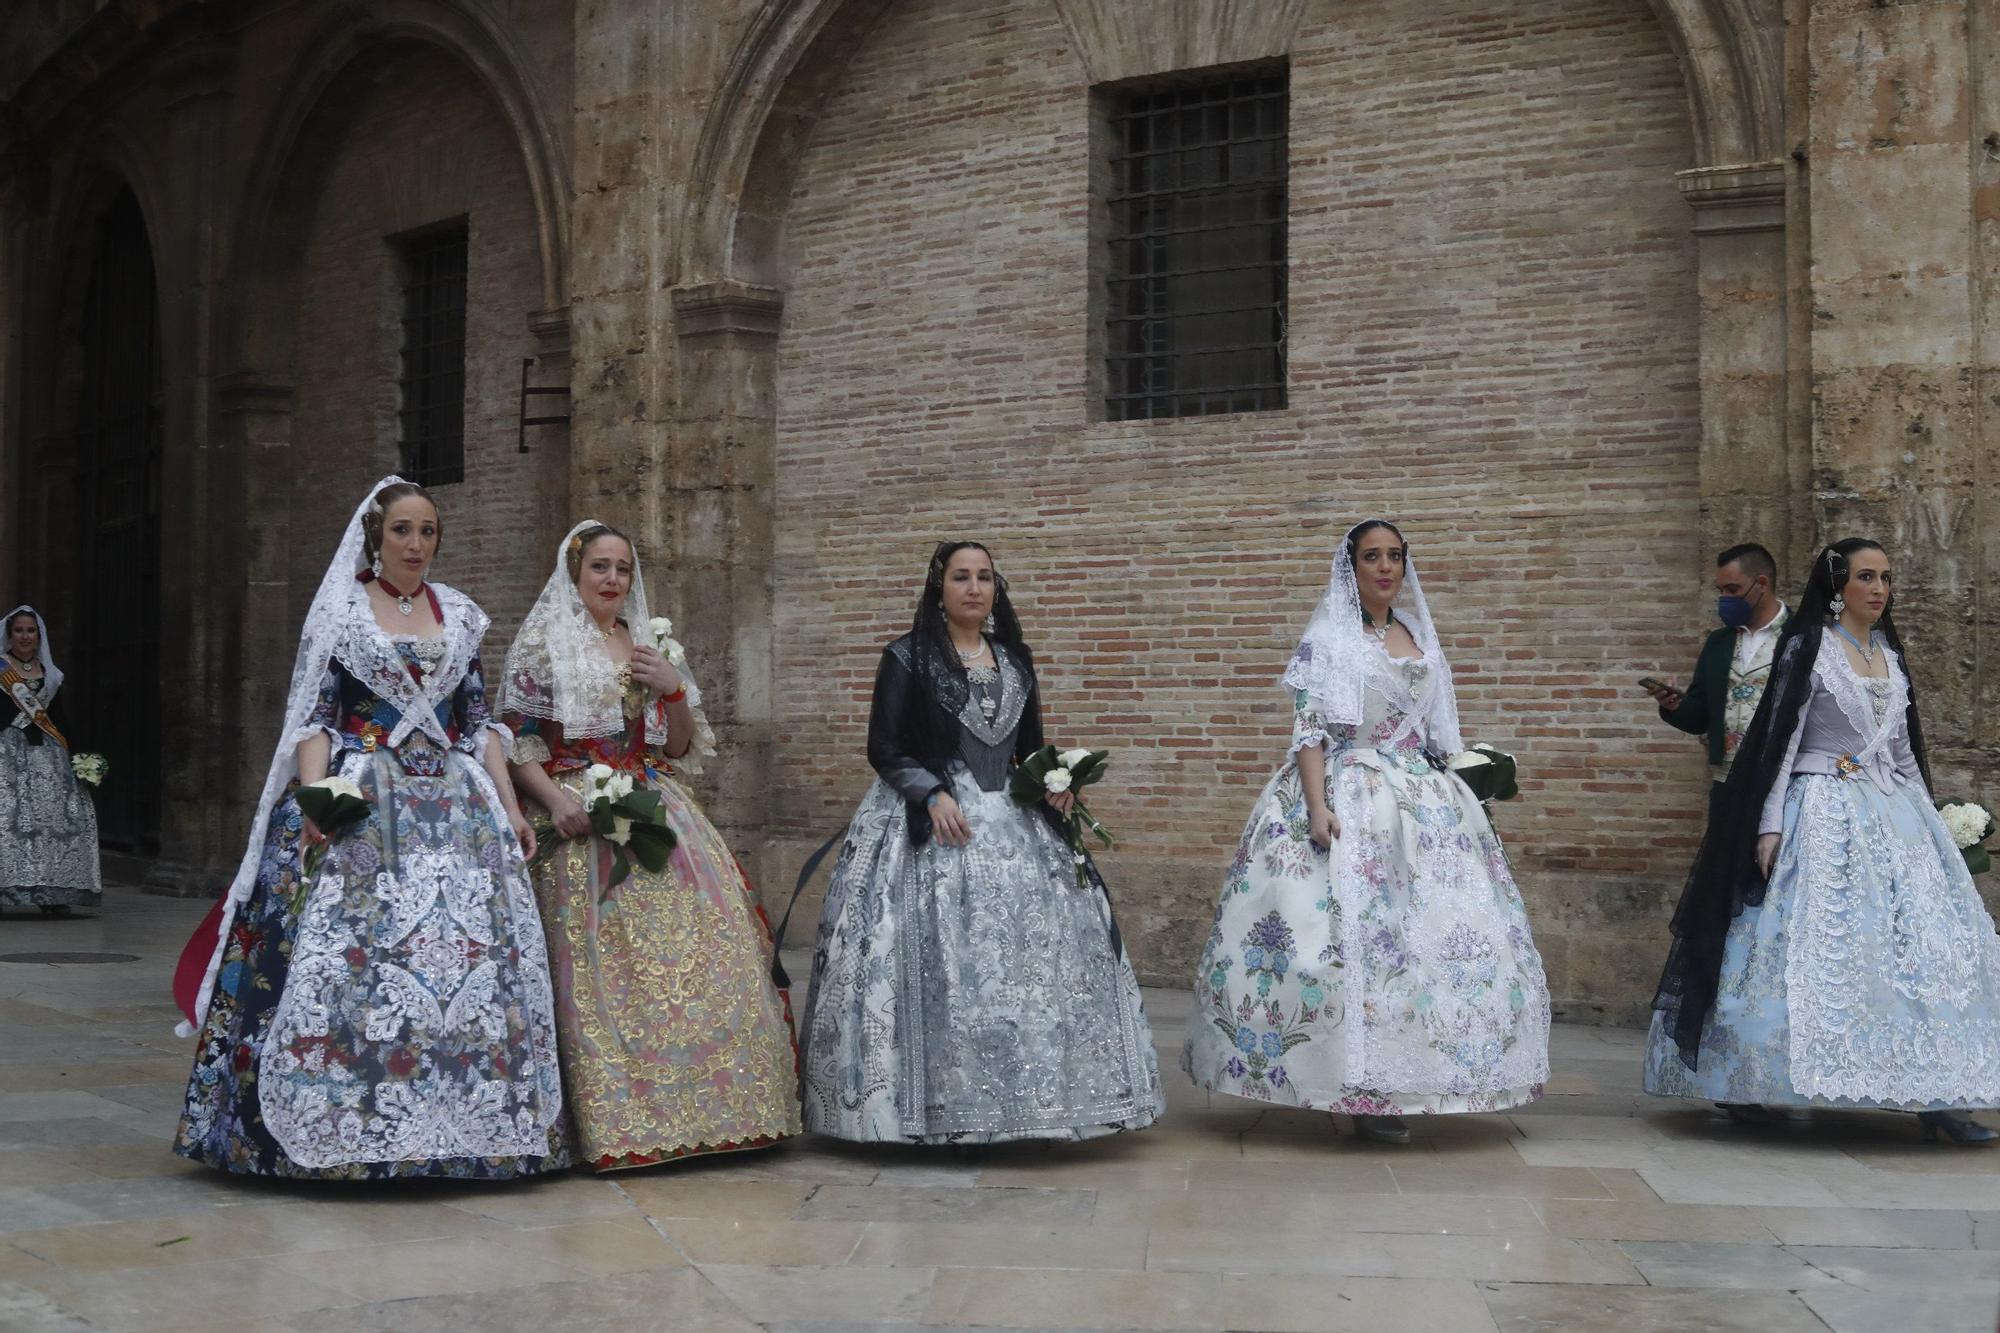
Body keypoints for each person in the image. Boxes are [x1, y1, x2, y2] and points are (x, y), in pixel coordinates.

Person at [174, 477, 568, 1179]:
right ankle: (345, 1121)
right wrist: (321, 802)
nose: (416, 544)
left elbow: (478, 728)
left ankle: (467, 1125)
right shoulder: (344, 616)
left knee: (465, 964)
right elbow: (319, 719)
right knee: (353, 959)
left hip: (455, 807)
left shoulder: (463, 616)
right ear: (376, 538)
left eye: (428, 532)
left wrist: (509, 809)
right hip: (365, 792)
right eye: (403, 531)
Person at [1183, 520, 1550, 1144]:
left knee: (1424, 944)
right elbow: (1309, 731)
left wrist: (1470, 783)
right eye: (1371, 557)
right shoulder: (1329, 639)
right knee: (1347, 942)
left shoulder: (1418, 636)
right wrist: (1316, 804)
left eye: (1395, 557)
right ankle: (1351, 1087)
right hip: (1349, 793)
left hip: (1423, 804)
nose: (1385, 567)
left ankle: (1418, 1075)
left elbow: (1439, 731)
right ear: (1350, 567)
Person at [799, 541, 1163, 1143]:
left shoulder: (1015, 661)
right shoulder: (908, 657)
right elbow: (885, 747)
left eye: (985, 577)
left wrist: (1054, 786)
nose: (974, 588)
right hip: (932, 819)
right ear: (938, 588)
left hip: (1013, 826)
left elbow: (1028, 751)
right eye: (961, 577)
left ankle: (1033, 1102)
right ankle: (920, 1112)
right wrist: (932, 794)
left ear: (997, 588)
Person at [1646, 539, 2000, 1144]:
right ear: (1839, 586)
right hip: (1823, 804)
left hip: (1896, 813)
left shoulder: (1889, 652)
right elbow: (1780, 740)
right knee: (1809, 942)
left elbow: (1903, 750)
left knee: (1925, 947)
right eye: (1867, 576)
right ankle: (1751, 1083)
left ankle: (1939, 1092)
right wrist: (1770, 822)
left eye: (1886, 577)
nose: (1880, 588)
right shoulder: (1811, 647)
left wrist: (1935, 826)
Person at [500, 520, 799, 1169]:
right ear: (574, 575)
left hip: (652, 807)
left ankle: (717, 1108)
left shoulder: (648, 643)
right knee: (604, 965)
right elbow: (513, 745)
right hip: (576, 820)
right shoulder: (543, 647)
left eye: (622, 569)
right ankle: (618, 1119)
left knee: (695, 956)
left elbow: (680, 746)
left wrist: (672, 686)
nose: (612, 579)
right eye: (600, 568)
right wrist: (557, 801)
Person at [1649, 542, 1790, 796]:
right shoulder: (1718, 643)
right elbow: (1700, 719)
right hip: (1727, 783)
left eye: (1733, 589)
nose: (1725, 598)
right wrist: (1674, 705)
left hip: (1785, 782)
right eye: (1721, 590)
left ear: (1762, 584)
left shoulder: (1804, 636)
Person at [0, 606, 101, 916]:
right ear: (9, 635)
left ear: (39, 635)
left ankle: (52, 894)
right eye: (19, 630)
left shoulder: (52, 675)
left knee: (53, 823)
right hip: (7, 753)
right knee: (6, 820)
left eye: (31, 630)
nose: (25, 636)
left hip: (49, 755)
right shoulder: (1, 670)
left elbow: (60, 718)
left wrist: (80, 757)